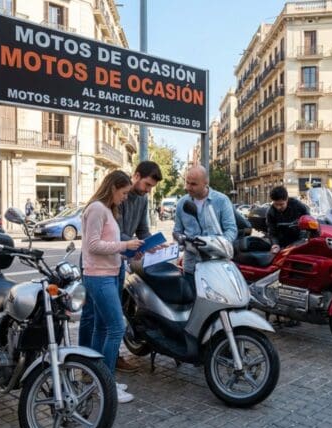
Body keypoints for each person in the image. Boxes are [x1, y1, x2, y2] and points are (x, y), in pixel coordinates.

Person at [79, 170, 143, 404]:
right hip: (100, 277)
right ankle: (106, 385)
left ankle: (97, 379)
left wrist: (130, 249)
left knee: (102, 328)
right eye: (124, 192)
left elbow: (107, 245)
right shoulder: (97, 208)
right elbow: (93, 245)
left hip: (107, 273)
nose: (126, 197)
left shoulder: (106, 210)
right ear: (113, 187)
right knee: (116, 327)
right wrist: (125, 244)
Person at [112, 160, 162, 373]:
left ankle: (112, 358)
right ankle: (102, 362)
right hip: (106, 259)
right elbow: (115, 232)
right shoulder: (118, 195)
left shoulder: (142, 201)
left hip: (120, 261)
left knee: (113, 312)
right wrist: (136, 244)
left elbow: (143, 230)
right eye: (147, 185)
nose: (149, 190)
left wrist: (156, 244)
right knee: (102, 316)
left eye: (152, 187)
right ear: (136, 176)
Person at [173, 165, 237, 277]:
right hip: (191, 266)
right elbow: (177, 231)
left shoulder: (222, 201)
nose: (188, 187)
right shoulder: (181, 204)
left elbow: (231, 230)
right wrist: (179, 239)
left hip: (216, 264)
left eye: (193, 184)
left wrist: (217, 245)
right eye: (187, 182)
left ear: (205, 183)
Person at [265, 186, 310, 253]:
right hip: (283, 244)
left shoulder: (299, 206)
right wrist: (275, 244)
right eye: (276, 204)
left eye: (281, 204)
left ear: (287, 199)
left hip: (300, 241)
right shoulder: (271, 212)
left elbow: (308, 220)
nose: (278, 207)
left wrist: (303, 239)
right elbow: (272, 232)